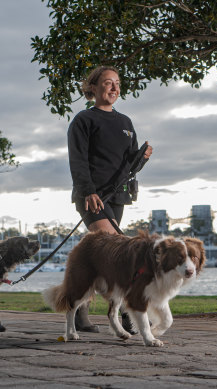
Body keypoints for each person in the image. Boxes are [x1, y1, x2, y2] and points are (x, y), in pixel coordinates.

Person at [67, 66, 152, 333]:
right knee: (122, 252)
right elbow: (77, 160)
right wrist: (87, 191)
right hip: (92, 197)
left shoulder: (125, 122)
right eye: (108, 83)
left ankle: (80, 310)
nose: (114, 88)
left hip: (117, 197)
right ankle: (129, 312)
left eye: (117, 83)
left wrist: (142, 158)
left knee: (101, 256)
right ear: (93, 88)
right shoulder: (83, 120)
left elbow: (128, 166)